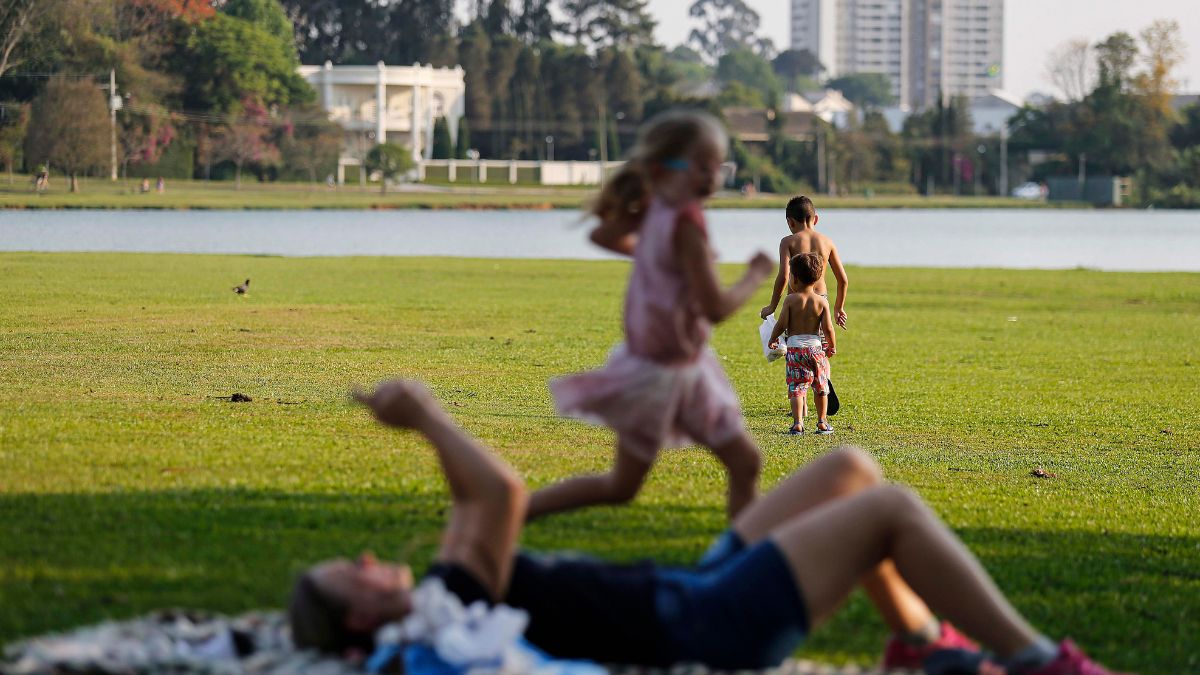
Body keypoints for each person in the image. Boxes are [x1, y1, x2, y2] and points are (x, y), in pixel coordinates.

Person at [289, 379, 1123, 675]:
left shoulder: (449, 593)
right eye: (350, 572)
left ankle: (916, 641)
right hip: (709, 622)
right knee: (890, 510)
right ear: (359, 621)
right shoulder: (444, 611)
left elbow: (486, 505)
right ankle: (1038, 662)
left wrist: (435, 434)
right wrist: (427, 417)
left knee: (849, 468)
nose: (367, 559)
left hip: (690, 585)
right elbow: (498, 494)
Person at [529, 110, 773, 521]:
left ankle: (739, 561)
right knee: (631, 485)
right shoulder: (686, 222)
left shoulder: (658, 209)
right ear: (664, 170)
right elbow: (715, 309)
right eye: (701, 166)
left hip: (681, 369)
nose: (712, 176)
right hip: (660, 376)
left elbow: (602, 234)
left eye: (717, 166)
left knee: (737, 463)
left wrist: (658, 259)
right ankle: (514, 511)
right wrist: (755, 275)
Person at [768, 252, 836, 436]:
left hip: (795, 350)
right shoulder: (821, 301)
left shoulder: (790, 300)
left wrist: (773, 338)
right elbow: (828, 328)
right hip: (816, 349)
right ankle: (822, 422)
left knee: (797, 387)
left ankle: (798, 423)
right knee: (821, 386)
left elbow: (782, 324)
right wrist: (831, 345)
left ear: (795, 279)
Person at [759, 195, 849, 329]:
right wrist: (838, 308)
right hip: (820, 299)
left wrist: (772, 306)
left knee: (795, 343)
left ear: (790, 222)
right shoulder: (827, 242)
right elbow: (843, 280)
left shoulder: (788, 242)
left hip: (795, 300)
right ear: (816, 219)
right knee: (819, 345)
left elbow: (784, 276)